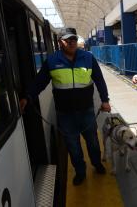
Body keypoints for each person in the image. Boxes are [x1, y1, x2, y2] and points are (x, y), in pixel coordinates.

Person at [19, 27, 111, 185]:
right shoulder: (52, 61)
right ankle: (80, 172)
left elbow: (99, 80)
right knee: (73, 146)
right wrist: (28, 97)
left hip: (86, 111)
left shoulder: (88, 58)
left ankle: (97, 164)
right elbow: (39, 82)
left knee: (93, 142)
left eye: (74, 39)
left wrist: (104, 100)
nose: (72, 42)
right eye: (67, 40)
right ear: (60, 42)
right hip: (65, 114)